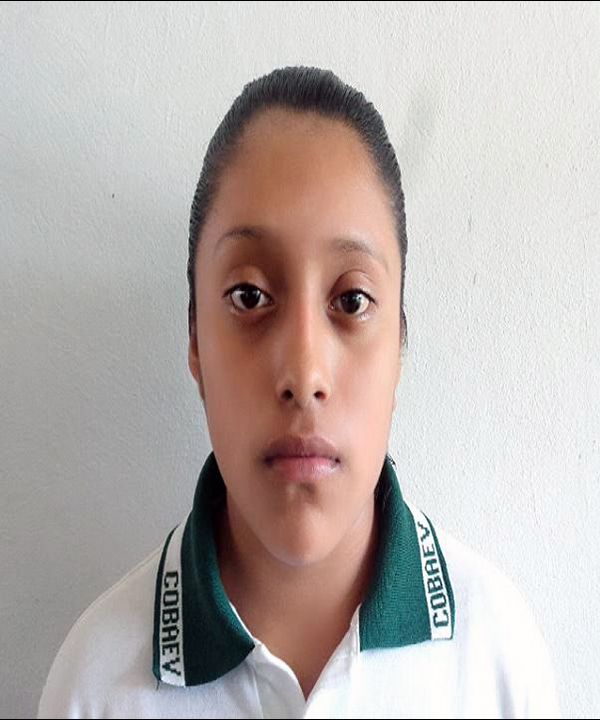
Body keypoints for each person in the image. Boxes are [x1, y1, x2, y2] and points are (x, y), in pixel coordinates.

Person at [37, 65, 560, 719]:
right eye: (249, 296)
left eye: (352, 299)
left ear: (399, 343)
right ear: (195, 338)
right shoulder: (97, 686)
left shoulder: (497, 663)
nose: (305, 375)